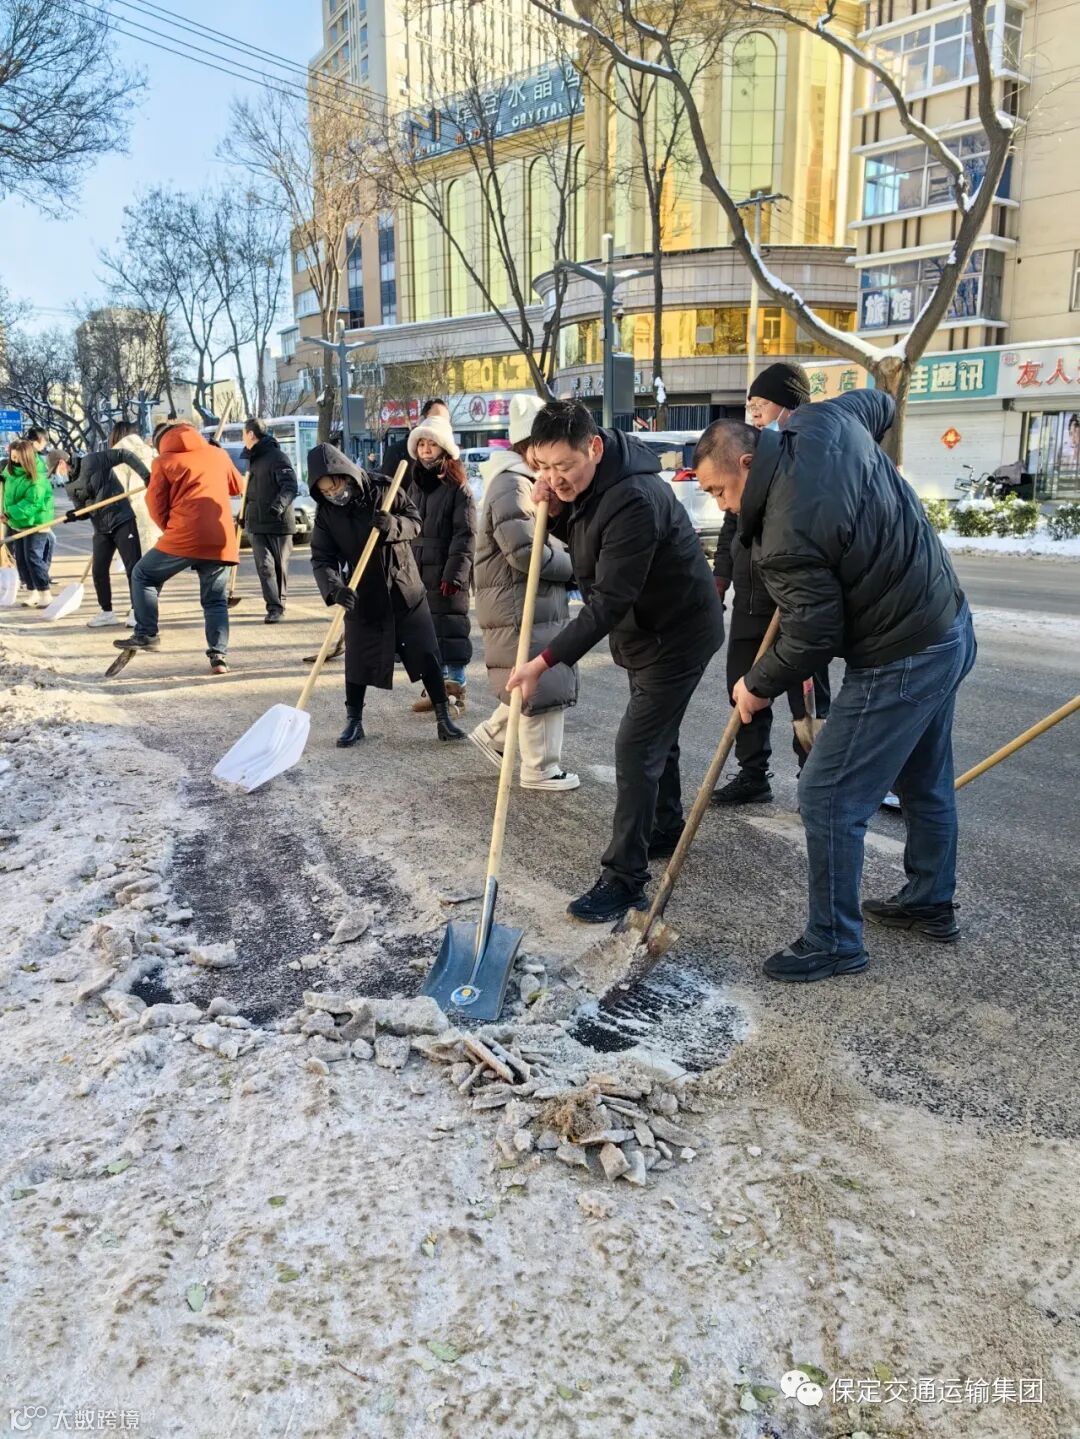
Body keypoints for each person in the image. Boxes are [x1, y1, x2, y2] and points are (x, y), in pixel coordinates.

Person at [692, 391, 976, 984]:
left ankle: (834, 940)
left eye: (719, 491)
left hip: (902, 654)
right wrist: (868, 479)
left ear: (748, 462)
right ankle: (930, 900)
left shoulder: (786, 532)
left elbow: (813, 635)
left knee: (826, 794)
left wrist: (756, 684)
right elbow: (883, 403)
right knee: (924, 779)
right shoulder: (826, 419)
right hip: (946, 621)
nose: (721, 506)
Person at [508, 400, 724, 923]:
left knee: (636, 747)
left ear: (594, 447)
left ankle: (625, 879)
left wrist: (544, 661)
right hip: (647, 631)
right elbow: (590, 540)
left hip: (675, 634)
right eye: (543, 467)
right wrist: (557, 511)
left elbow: (608, 600)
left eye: (564, 466)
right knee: (656, 739)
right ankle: (664, 827)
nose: (554, 478)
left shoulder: (634, 499)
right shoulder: (595, 484)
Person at [712, 362, 831, 806]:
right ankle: (752, 773)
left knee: (808, 699)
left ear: (789, 405)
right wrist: (720, 578)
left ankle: (813, 778)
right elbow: (731, 525)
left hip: (793, 602)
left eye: (761, 405)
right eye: (751, 406)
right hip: (750, 600)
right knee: (744, 689)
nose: (755, 414)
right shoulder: (748, 456)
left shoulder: (807, 458)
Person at [307, 444, 466, 745]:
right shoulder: (326, 514)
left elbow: (415, 522)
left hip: (404, 589)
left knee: (426, 655)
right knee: (357, 660)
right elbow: (322, 558)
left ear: (346, 474)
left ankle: (444, 717)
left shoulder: (383, 489)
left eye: (335, 486)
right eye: (325, 491)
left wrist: (393, 525)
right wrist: (335, 589)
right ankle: (354, 721)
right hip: (362, 593)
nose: (333, 494)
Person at [471, 394, 580, 792]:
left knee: (529, 678)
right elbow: (523, 552)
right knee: (541, 681)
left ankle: (495, 735)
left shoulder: (522, 481)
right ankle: (540, 767)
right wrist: (576, 564)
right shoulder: (512, 484)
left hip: (525, 598)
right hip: (519, 601)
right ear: (529, 447)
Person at [115, 422, 242, 674]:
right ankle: (218, 657)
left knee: (143, 574)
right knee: (215, 600)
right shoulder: (217, 454)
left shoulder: (163, 462)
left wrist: (170, 530)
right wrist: (219, 456)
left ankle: (146, 633)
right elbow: (238, 487)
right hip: (221, 537)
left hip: (184, 534)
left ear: (161, 443)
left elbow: (155, 506)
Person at [405, 411, 476, 713]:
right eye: (421, 444)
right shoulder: (415, 485)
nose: (425, 450)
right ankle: (435, 688)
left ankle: (456, 686)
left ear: (444, 447)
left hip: (447, 569)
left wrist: (455, 574)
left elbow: (465, 534)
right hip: (418, 568)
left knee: (451, 628)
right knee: (427, 631)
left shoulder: (458, 488)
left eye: (431, 444)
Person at [48, 445, 148, 626]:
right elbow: (84, 511)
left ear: (62, 462)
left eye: (55, 471)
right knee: (99, 571)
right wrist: (74, 515)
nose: (56, 475)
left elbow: (123, 454)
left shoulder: (93, 460)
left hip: (122, 520)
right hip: (101, 529)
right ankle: (107, 612)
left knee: (133, 568)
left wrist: (146, 475)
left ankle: (137, 611)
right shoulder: (70, 486)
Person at [240, 418, 298, 624]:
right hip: (257, 522)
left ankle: (279, 604)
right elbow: (249, 491)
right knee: (264, 566)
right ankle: (273, 607)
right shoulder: (251, 459)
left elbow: (290, 486)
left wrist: (278, 506)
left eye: (243, 434)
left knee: (279, 566)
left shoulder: (277, 457)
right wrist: (243, 515)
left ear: (251, 434)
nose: (243, 438)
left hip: (278, 522)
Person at [2, 438, 54, 605]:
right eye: (13, 457)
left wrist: (9, 514)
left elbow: (32, 504)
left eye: (18, 458)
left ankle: (45, 593)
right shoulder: (10, 471)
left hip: (36, 524)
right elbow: (5, 479)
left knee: (33, 558)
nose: (15, 461)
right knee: (22, 560)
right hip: (18, 523)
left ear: (28, 458)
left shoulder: (37, 478)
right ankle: (33, 593)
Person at [109, 422, 161, 553]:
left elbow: (118, 492)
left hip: (135, 513)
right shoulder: (152, 453)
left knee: (138, 554)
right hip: (157, 509)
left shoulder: (117, 458)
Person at [381, 398, 449, 484]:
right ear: (421, 420)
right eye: (435, 420)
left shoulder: (449, 457)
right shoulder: (396, 452)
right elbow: (386, 488)